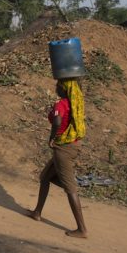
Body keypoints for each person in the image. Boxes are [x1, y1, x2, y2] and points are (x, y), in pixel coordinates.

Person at [28, 79, 89, 238]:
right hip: (72, 145)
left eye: (58, 86)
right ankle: (37, 212)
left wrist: (52, 137)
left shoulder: (61, 104)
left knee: (70, 188)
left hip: (63, 148)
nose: (56, 88)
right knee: (45, 177)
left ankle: (82, 229)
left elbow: (57, 121)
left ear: (63, 89)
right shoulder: (75, 104)